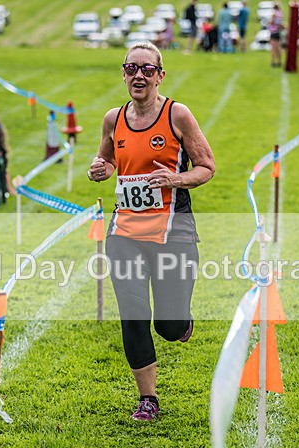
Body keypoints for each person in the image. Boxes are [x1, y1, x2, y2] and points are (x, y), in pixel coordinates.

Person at [88, 42, 215, 421]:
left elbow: (206, 166)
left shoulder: (178, 115)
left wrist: (174, 179)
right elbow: (108, 158)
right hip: (124, 229)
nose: (138, 75)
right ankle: (148, 399)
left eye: (147, 69)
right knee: (133, 313)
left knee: (169, 324)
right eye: (131, 68)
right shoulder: (114, 118)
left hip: (173, 230)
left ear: (160, 75)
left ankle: (180, 321)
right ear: (124, 74)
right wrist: (101, 169)